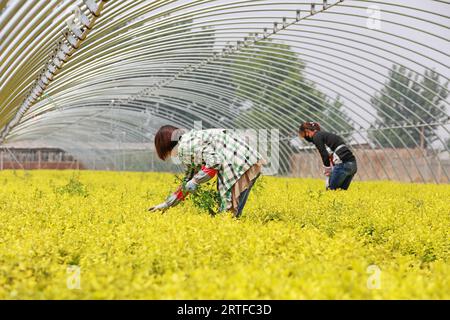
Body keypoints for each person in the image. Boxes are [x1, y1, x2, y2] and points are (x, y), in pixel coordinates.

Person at [148, 125, 265, 217]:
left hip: (238, 165)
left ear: (167, 146)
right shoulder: (189, 142)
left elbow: (215, 162)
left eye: (167, 154)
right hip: (248, 162)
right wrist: (167, 204)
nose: (171, 157)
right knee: (231, 213)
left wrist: (195, 181)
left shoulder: (185, 147)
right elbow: (187, 181)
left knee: (228, 213)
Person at [299, 122, 357, 190]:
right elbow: (331, 154)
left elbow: (324, 154)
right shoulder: (326, 136)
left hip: (343, 164)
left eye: (304, 135)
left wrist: (327, 169)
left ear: (307, 131)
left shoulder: (316, 136)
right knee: (341, 192)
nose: (306, 137)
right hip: (353, 165)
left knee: (330, 190)